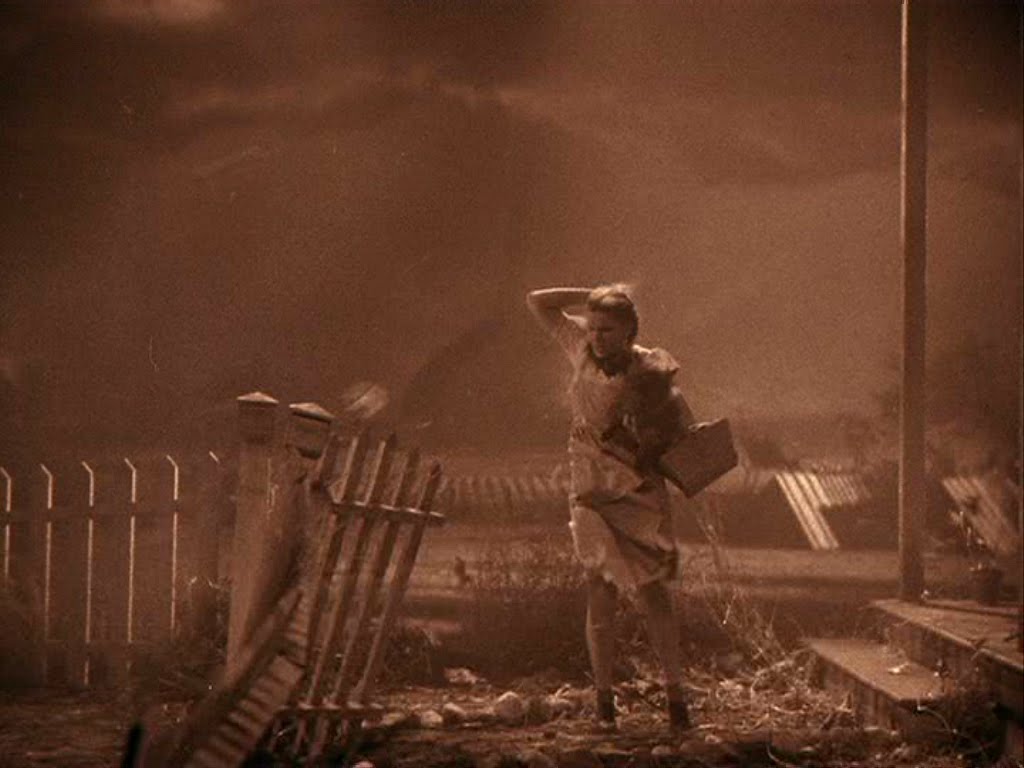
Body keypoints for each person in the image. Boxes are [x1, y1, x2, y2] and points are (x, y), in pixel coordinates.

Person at [526, 284, 695, 732]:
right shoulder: (580, 350)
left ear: (629, 331)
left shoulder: (652, 367)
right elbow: (538, 301)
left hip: (639, 489)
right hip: (589, 486)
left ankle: (676, 698)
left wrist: (653, 436)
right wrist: (596, 292)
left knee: (654, 590)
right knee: (600, 585)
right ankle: (604, 702)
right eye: (593, 327)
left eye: (608, 330)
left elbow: (684, 425)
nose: (597, 337)